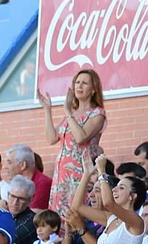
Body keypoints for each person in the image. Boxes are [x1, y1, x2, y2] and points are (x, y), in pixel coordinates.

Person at [38, 69, 107, 212]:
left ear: (93, 89)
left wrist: (67, 111)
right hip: (62, 170)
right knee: (58, 210)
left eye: (84, 83)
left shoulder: (97, 114)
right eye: (77, 82)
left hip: (81, 170)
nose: (79, 86)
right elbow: (51, 138)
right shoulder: (72, 113)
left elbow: (81, 137)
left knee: (75, 210)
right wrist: (47, 110)